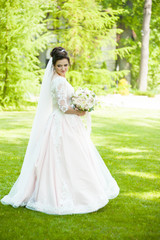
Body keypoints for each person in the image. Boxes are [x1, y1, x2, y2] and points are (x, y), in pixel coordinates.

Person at [1, 47, 120, 215]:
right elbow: (63, 107)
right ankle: (69, 194)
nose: (63, 69)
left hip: (61, 122)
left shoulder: (57, 79)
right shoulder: (59, 81)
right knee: (68, 157)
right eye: (59, 66)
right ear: (54, 67)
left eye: (65, 65)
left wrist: (80, 103)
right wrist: (79, 110)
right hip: (62, 123)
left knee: (70, 156)